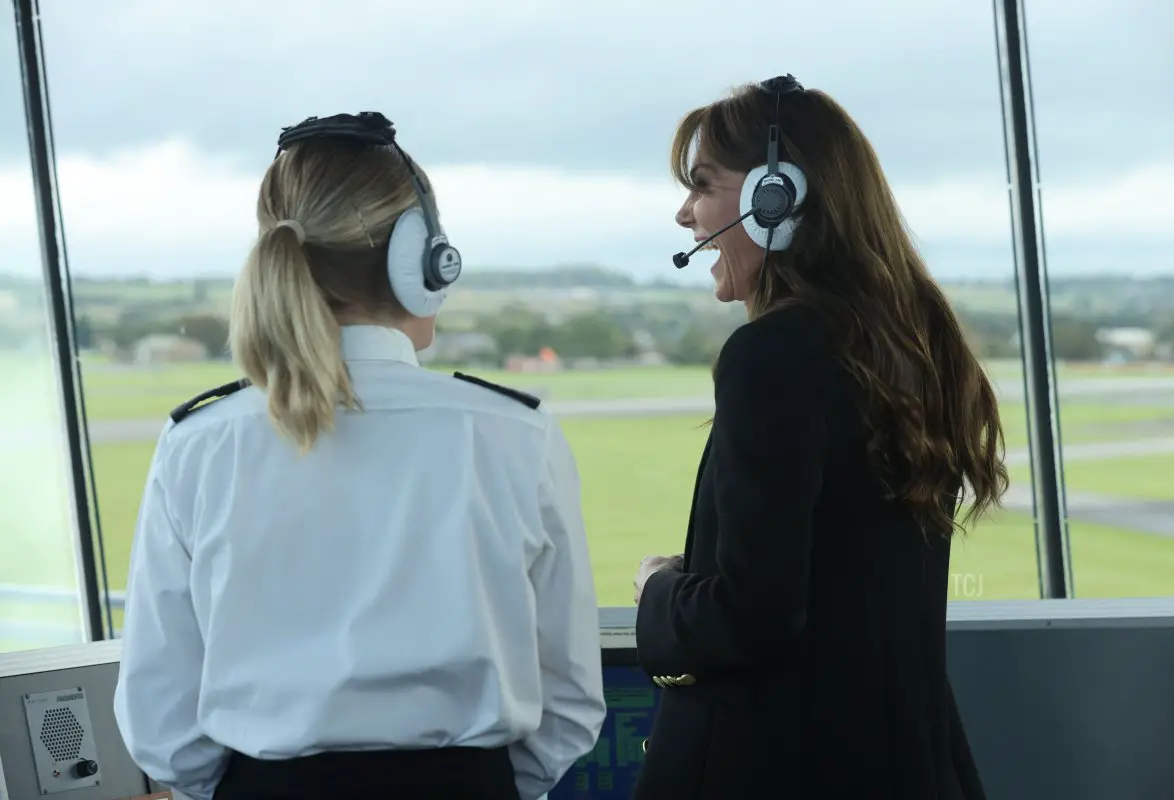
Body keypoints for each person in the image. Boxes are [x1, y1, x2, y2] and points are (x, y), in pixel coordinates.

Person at [113, 112, 606, 800]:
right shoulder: (516, 435)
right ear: (424, 258)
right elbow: (571, 699)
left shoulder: (198, 443)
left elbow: (162, 720)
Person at [631, 76, 1007, 799]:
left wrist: (661, 592)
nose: (685, 214)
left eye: (702, 185)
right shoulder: (915, 351)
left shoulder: (773, 354)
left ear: (776, 196)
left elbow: (753, 614)